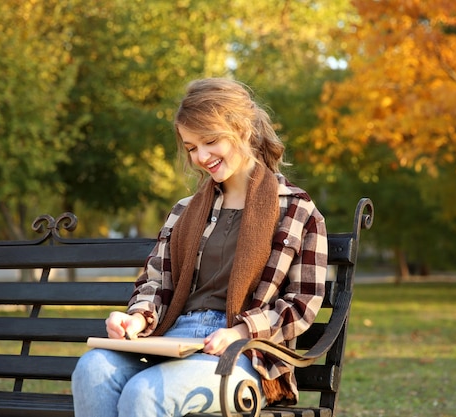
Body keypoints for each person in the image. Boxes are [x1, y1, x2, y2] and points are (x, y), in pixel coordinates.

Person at [71, 77, 328, 417]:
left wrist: (239, 331)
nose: (201, 157)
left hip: (246, 355)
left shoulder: (296, 209)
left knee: (145, 394)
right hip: (174, 339)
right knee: (93, 369)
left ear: (243, 129)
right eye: (191, 147)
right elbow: (156, 282)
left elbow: (301, 303)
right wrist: (137, 318)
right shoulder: (184, 210)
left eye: (210, 141)